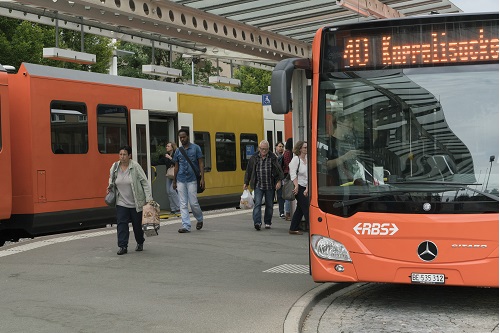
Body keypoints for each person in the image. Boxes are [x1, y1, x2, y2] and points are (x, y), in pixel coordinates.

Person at [107, 145, 153, 255]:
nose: (122, 157)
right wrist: (110, 187)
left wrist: (149, 199)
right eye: (120, 154)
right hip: (121, 201)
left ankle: (140, 242)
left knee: (137, 226)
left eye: (124, 155)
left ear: (129, 156)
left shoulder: (135, 167)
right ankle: (123, 246)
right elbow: (111, 179)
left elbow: (144, 183)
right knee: (121, 224)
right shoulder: (115, 166)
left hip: (136, 202)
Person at [243, 140, 284, 230]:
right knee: (257, 203)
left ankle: (267, 222)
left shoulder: (272, 157)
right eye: (262, 149)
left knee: (269, 205)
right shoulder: (254, 158)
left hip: (270, 186)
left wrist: (279, 181)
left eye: (265, 149)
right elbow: (249, 171)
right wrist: (246, 182)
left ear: (268, 149)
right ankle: (257, 222)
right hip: (258, 185)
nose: (264, 151)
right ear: (259, 148)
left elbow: (278, 170)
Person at [173, 128, 205, 233]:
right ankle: (186, 225)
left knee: (193, 203)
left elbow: (200, 163)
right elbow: (176, 167)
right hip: (181, 179)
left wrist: (202, 178)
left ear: (188, 137)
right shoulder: (178, 151)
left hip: (192, 179)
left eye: (183, 137)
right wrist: (174, 181)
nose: (182, 139)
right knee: (182, 203)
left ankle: (199, 219)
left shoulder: (196, 148)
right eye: (180, 138)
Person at [326, 114, 362, 186]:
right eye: (348, 122)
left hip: (352, 182)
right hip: (336, 184)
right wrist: (345, 157)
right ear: (339, 123)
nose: (351, 126)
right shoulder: (328, 143)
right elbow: (327, 165)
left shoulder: (350, 143)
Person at [288, 141, 309, 235]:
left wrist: (308, 188)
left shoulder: (308, 160)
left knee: (300, 209)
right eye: (305, 147)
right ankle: (313, 228)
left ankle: (293, 228)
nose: (306, 149)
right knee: (306, 208)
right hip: (298, 187)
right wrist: (296, 186)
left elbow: (309, 176)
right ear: (300, 148)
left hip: (306, 187)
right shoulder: (296, 159)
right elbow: (292, 174)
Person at [158, 141, 180, 215]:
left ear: (172, 147)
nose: (166, 147)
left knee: (172, 190)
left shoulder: (176, 154)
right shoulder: (166, 155)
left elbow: (177, 163)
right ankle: (173, 209)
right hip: (169, 174)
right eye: (166, 146)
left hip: (175, 174)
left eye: (168, 146)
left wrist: (170, 158)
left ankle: (178, 207)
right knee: (168, 191)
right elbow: (161, 162)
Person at [282, 138, 294, 221]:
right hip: (288, 176)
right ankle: (288, 213)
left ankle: (288, 213)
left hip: (286, 175)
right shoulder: (288, 153)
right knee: (288, 195)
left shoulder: (286, 153)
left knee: (288, 194)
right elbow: (289, 164)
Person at [274, 141, 285, 218]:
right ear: (276, 147)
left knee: (281, 195)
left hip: (283, 178)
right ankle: (281, 211)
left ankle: (282, 211)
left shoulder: (284, 156)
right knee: (279, 195)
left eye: (282, 147)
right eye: (279, 146)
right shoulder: (274, 157)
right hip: (275, 179)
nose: (281, 148)